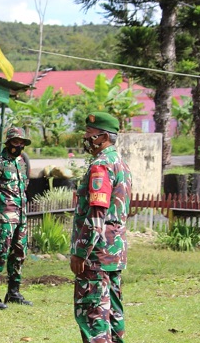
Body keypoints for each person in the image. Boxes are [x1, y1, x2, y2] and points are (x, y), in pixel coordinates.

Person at [70, 112, 131, 343]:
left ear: (103, 137)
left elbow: (97, 213)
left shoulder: (101, 166)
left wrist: (80, 252)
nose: (85, 137)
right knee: (113, 315)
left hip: (96, 255)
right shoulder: (120, 163)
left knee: (93, 315)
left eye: (89, 133)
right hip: (113, 254)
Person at [0, 126, 33, 310]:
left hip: (21, 216)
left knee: (19, 254)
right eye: (16, 142)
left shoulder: (22, 162)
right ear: (9, 142)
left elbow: (25, 185)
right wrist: (1, 203)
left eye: (22, 143)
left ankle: (13, 292)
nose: (19, 146)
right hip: (5, 217)